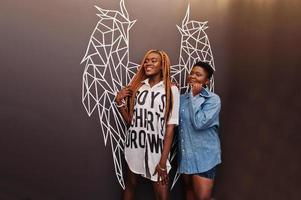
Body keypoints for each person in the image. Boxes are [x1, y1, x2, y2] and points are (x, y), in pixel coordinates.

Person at [115, 50, 180, 200]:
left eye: (153, 61)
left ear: (162, 65)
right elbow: (131, 122)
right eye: (146, 61)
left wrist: (163, 162)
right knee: (129, 186)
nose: (148, 63)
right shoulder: (139, 88)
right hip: (135, 146)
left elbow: (170, 127)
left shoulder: (171, 90)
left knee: (162, 195)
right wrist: (119, 103)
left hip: (157, 150)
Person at [178, 61, 221, 200]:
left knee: (202, 198)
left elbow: (199, 123)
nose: (193, 76)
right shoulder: (181, 99)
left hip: (204, 157)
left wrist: (195, 97)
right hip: (186, 156)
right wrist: (170, 90)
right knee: (189, 193)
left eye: (198, 74)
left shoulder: (213, 100)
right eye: (192, 73)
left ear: (206, 81)